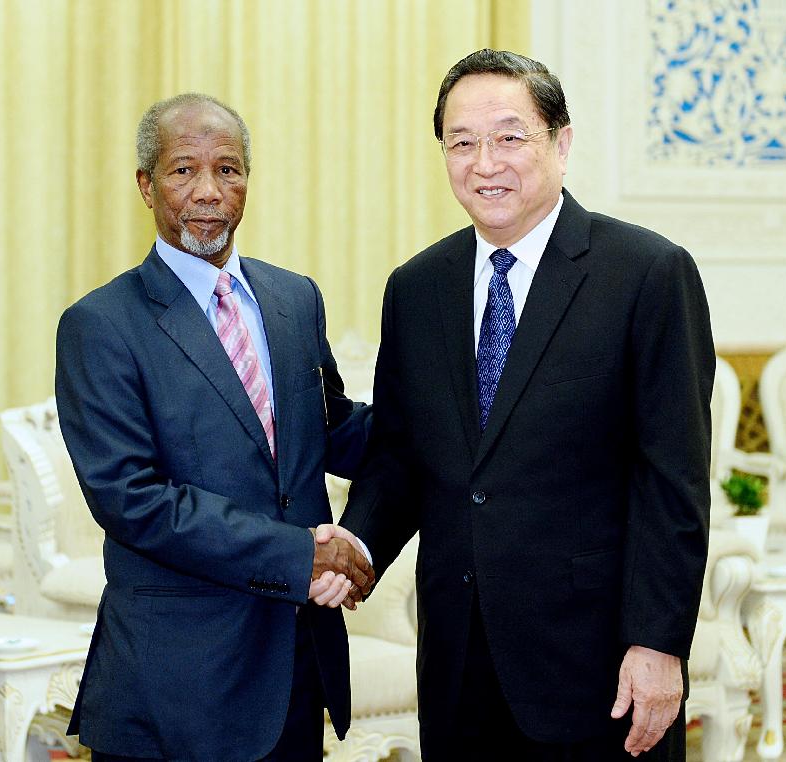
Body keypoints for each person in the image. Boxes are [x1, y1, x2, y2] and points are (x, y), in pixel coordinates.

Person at [328, 49, 715, 760]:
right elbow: (402, 459)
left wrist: (659, 644)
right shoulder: (416, 289)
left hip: (600, 668)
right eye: (462, 142)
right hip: (456, 663)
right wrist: (359, 542)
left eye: (510, 137)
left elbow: (674, 482)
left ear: (561, 143)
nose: (485, 162)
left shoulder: (647, 275)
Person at [56, 92, 374, 762]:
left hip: (296, 665)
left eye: (228, 170)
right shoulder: (101, 325)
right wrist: (298, 555)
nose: (209, 191)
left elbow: (331, 429)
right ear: (146, 185)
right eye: (183, 171)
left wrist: (457, 424)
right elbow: (132, 500)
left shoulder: (293, 298)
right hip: (177, 689)